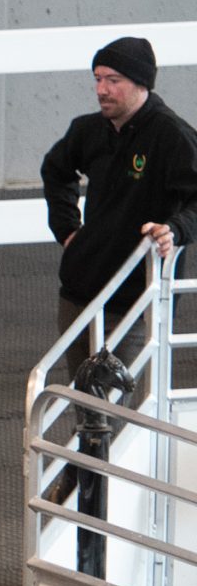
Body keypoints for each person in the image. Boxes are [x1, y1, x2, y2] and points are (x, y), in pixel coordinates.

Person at [42, 36, 196, 409]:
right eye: (97, 79)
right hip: (80, 292)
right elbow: (55, 170)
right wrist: (67, 230)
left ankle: (88, 468)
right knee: (86, 406)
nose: (101, 90)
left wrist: (174, 230)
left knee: (106, 414)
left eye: (113, 80)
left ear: (141, 83)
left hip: (133, 299)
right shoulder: (88, 130)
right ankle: (86, 469)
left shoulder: (171, 136)